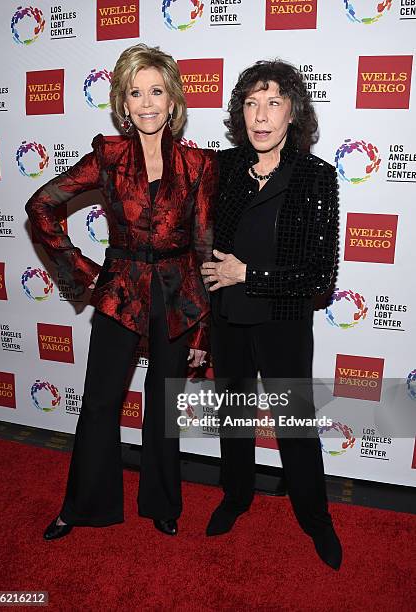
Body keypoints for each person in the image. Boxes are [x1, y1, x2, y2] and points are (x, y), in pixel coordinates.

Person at [25, 44, 216, 540]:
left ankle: (162, 502)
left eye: (157, 91)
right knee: (100, 401)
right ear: (123, 104)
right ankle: (82, 505)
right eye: (136, 93)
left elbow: (203, 249)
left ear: (173, 101)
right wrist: (81, 268)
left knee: (163, 402)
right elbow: (41, 205)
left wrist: (202, 332)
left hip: (177, 294)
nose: (147, 102)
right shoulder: (108, 156)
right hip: (121, 291)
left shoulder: (198, 164)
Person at [201, 60, 342, 570]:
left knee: (295, 424)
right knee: (233, 417)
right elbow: (205, 251)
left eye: (273, 102)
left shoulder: (316, 177)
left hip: (282, 320)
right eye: (251, 103)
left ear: (292, 114)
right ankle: (235, 496)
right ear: (241, 112)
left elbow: (319, 275)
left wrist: (250, 276)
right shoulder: (223, 170)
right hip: (227, 319)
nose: (261, 116)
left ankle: (316, 518)